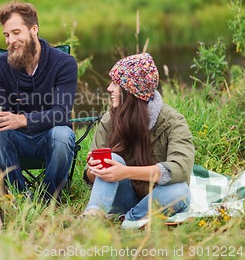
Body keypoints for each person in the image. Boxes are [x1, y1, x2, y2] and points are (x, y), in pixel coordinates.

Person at [81, 53, 194, 228]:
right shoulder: (109, 120)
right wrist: (94, 169)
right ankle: (93, 216)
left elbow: (181, 168)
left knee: (181, 191)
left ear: (131, 91)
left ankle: (129, 220)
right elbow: (91, 177)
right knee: (112, 158)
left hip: (160, 197)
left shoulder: (172, 122)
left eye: (116, 83)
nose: (109, 88)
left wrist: (125, 172)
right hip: (125, 197)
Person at [0, 1, 77, 200]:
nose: (10, 40)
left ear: (34, 29)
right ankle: (19, 197)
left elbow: (61, 113)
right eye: (7, 35)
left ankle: (48, 198)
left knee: (63, 134)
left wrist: (22, 119)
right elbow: (1, 113)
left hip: (50, 138)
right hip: (16, 140)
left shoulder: (64, 63)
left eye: (16, 32)